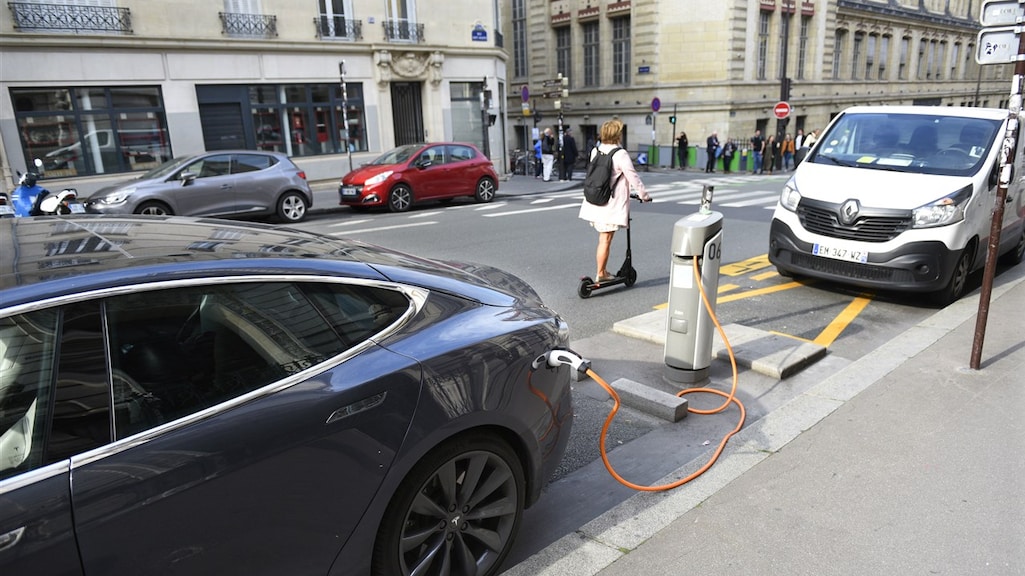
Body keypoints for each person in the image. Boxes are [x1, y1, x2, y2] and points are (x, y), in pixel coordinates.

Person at [579, 119, 652, 284]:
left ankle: (602, 271)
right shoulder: (620, 154)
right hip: (610, 204)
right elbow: (633, 176)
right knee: (605, 239)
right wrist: (644, 195)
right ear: (617, 135)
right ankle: (601, 273)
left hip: (595, 199)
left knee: (603, 238)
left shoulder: (595, 150)